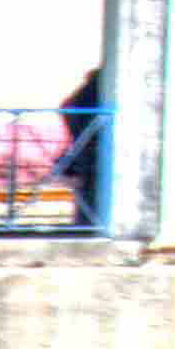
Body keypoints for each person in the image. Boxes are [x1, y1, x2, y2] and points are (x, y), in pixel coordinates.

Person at [55, 66, 106, 230]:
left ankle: (85, 224)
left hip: (88, 145)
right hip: (94, 146)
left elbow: (66, 107)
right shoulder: (99, 87)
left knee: (88, 185)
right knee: (93, 184)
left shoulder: (89, 89)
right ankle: (89, 225)